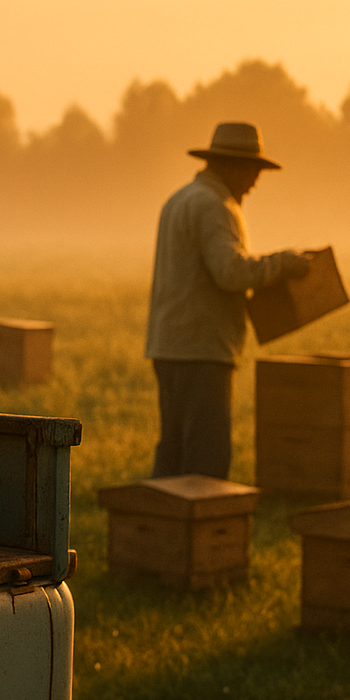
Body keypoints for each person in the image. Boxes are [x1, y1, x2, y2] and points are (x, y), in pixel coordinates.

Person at [144, 121, 311, 480]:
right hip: (202, 349)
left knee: (172, 453)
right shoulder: (215, 206)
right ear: (234, 166)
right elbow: (230, 271)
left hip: (169, 345)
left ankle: (159, 534)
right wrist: (284, 263)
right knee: (205, 460)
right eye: (253, 172)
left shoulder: (179, 199)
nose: (254, 184)